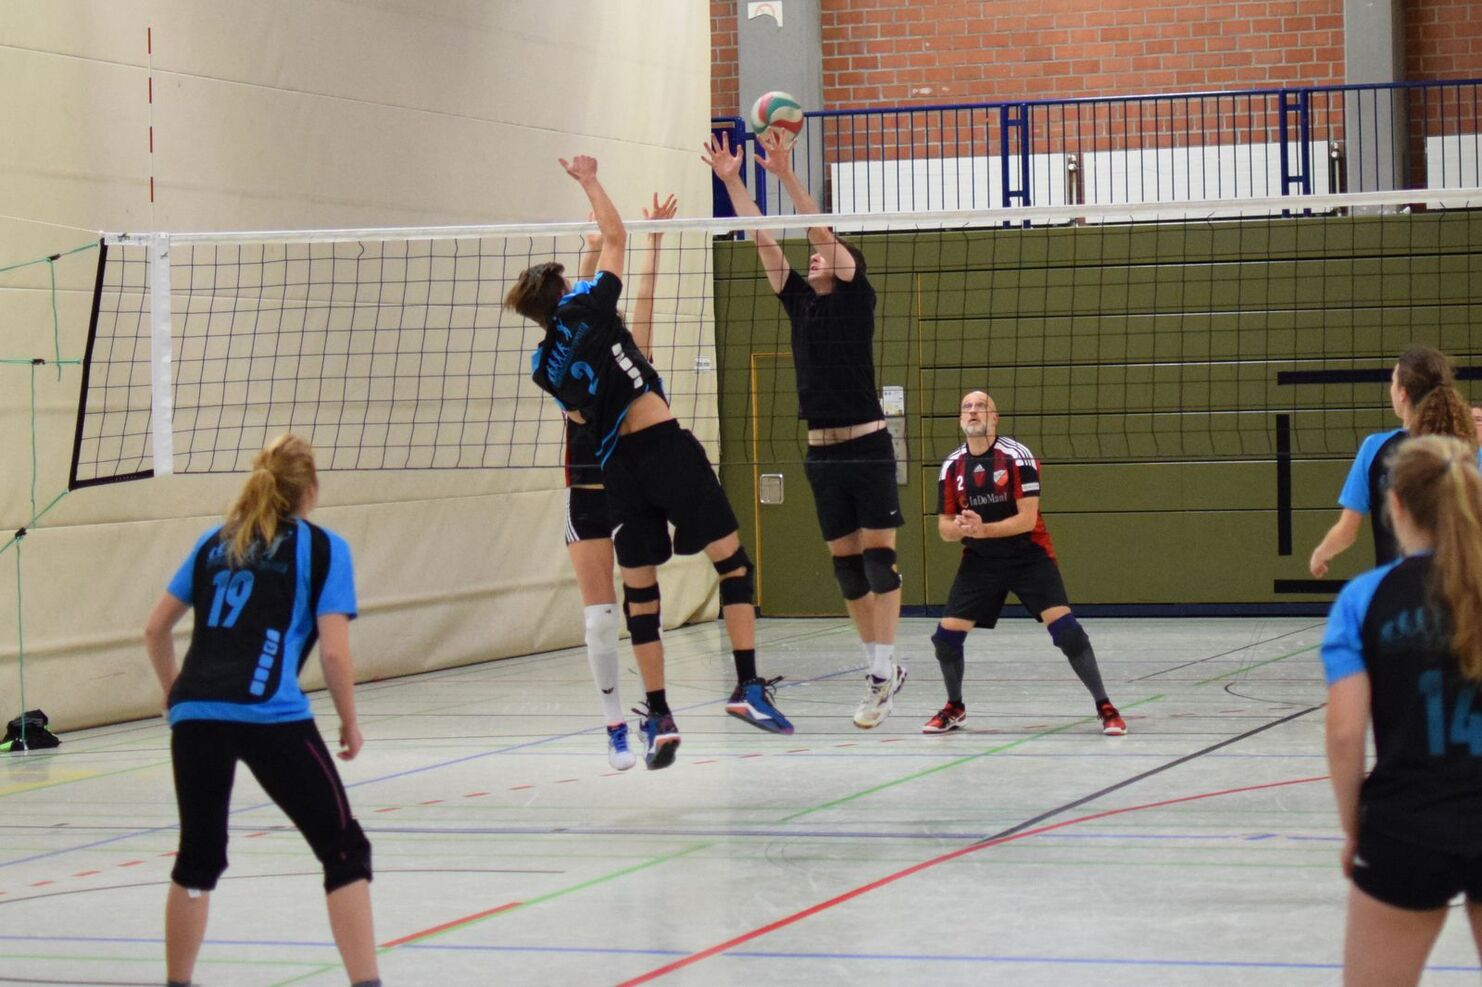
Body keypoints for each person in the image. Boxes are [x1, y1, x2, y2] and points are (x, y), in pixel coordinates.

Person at [508, 155, 791, 770]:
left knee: (640, 595)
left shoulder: (542, 368)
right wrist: (590, 181)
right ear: (565, 293)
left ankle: (658, 714)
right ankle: (746, 686)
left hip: (617, 470)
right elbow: (615, 237)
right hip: (664, 447)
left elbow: (579, 414)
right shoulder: (590, 309)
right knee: (733, 565)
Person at [142, 434, 379, 987]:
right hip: (270, 712)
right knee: (344, 850)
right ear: (310, 490)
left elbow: (154, 629)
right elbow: (335, 652)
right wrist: (349, 721)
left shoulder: (214, 542)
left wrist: (175, 695)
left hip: (196, 715)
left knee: (198, 858)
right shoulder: (324, 548)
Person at [703, 130, 906, 730]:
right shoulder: (799, 302)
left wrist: (787, 174)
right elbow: (763, 238)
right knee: (847, 570)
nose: (814, 258)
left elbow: (818, 232)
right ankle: (879, 667)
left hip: (868, 444)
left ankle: (882, 671)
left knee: (879, 564)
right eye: (814, 257)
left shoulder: (856, 296)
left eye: (824, 255)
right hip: (821, 453)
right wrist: (733, 180)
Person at [1321, 435, 1482, 985]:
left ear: (1394, 505)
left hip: (1406, 824)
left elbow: (1345, 734)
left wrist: (1354, 829)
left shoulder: (1365, 598)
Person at [925, 391, 1126, 737]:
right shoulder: (952, 465)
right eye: (967, 407)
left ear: (994, 417)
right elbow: (944, 528)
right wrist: (961, 529)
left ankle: (1105, 706)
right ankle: (955, 707)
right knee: (945, 639)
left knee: (1067, 633)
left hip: (1027, 555)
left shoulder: (1017, 457)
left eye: (981, 406)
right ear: (960, 419)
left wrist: (983, 529)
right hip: (981, 561)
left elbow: (1027, 519)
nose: (973, 411)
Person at [564, 193, 677, 771]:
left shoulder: (634, 365)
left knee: (641, 612)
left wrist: (652, 242)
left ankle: (656, 709)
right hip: (585, 498)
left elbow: (645, 302)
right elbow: (578, 305)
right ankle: (613, 726)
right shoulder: (569, 367)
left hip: (628, 497)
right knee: (599, 620)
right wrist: (591, 250)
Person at [1310, 345, 1477, 577]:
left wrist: (1321, 553)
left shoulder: (1375, 449)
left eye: (1393, 382)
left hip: (1396, 585)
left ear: (1403, 393)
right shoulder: (1467, 452)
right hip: (1457, 585)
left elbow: (1346, 532)